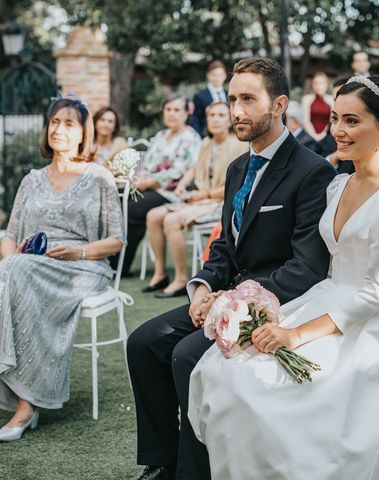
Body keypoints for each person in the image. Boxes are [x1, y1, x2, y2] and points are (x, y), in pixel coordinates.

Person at [189, 74, 379, 479]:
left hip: (376, 324)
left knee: (269, 393)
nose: (338, 131)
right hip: (326, 297)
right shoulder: (338, 185)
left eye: (352, 121)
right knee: (227, 371)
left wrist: (296, 335)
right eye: (334, 118)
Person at [127, 57, 336, 480]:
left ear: (278, 105)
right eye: (232, 99)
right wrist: (203, 286)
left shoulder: (311, 171)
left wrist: (235, 300)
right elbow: (225, 243)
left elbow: (306, 266)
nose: (237, 111)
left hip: (280, 302)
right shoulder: (238, 167)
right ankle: (163, 461)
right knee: (144, 342)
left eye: (247, 99)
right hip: (225, 298)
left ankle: (197, 470)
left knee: (186, 354)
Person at [0, 97, 124, 441]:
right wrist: (14, 255)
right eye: (54, 122)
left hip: (83, 267)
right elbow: (9, 236)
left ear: (84, 132)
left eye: (69, 123)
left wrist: (79, 251)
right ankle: (24, 396)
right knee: (15, 269)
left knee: (17, 273)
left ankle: (26, 405)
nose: (59, 129)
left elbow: (116, 240)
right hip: (32, 264)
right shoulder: (31, 180)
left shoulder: (99, 177)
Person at [145, 102, 248, 298]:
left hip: (221, 203)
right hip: (201, 198)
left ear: (230, 120)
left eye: (221, 115)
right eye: (212, 116)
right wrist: (183, 183)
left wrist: (205, 195)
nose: (216, 119)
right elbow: (194, 168)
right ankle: (160, 273)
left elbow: (237, 185)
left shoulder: (239, 145)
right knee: (153, 215)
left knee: (171, 220)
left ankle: (181, 279)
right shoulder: (206, 144)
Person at [121, 94, 201, 278]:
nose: (171, 114)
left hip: (173, 191)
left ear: (186, 113)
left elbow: (180, 171)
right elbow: (146, 165)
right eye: (168, 109)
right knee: (118, 201)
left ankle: (121, 265)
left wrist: (149, 182)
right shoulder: (160, 136)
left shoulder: (191, 137)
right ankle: (113, 259)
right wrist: (139, 179)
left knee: (132, 209)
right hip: (149, 187)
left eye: (176, 110)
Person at [191, 60, 228, 137]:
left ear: (225, 76)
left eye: (220, 75)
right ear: (208, 75)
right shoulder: (200, 96)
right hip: (208, 136)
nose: (216, 78)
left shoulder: (229, 94)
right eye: (214, 74)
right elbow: (195, 120)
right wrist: (201, 136)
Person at [301, 71, 333, 142]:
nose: (319, 86)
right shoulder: (307, 99)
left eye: (322, 83)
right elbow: (306, 121)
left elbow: (331, 121)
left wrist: (322, 135)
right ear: (312, 85)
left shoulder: (331, 100)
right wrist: (315, 137)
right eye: (316, 83)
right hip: (309, 136)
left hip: (326, 136)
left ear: (326, 84)